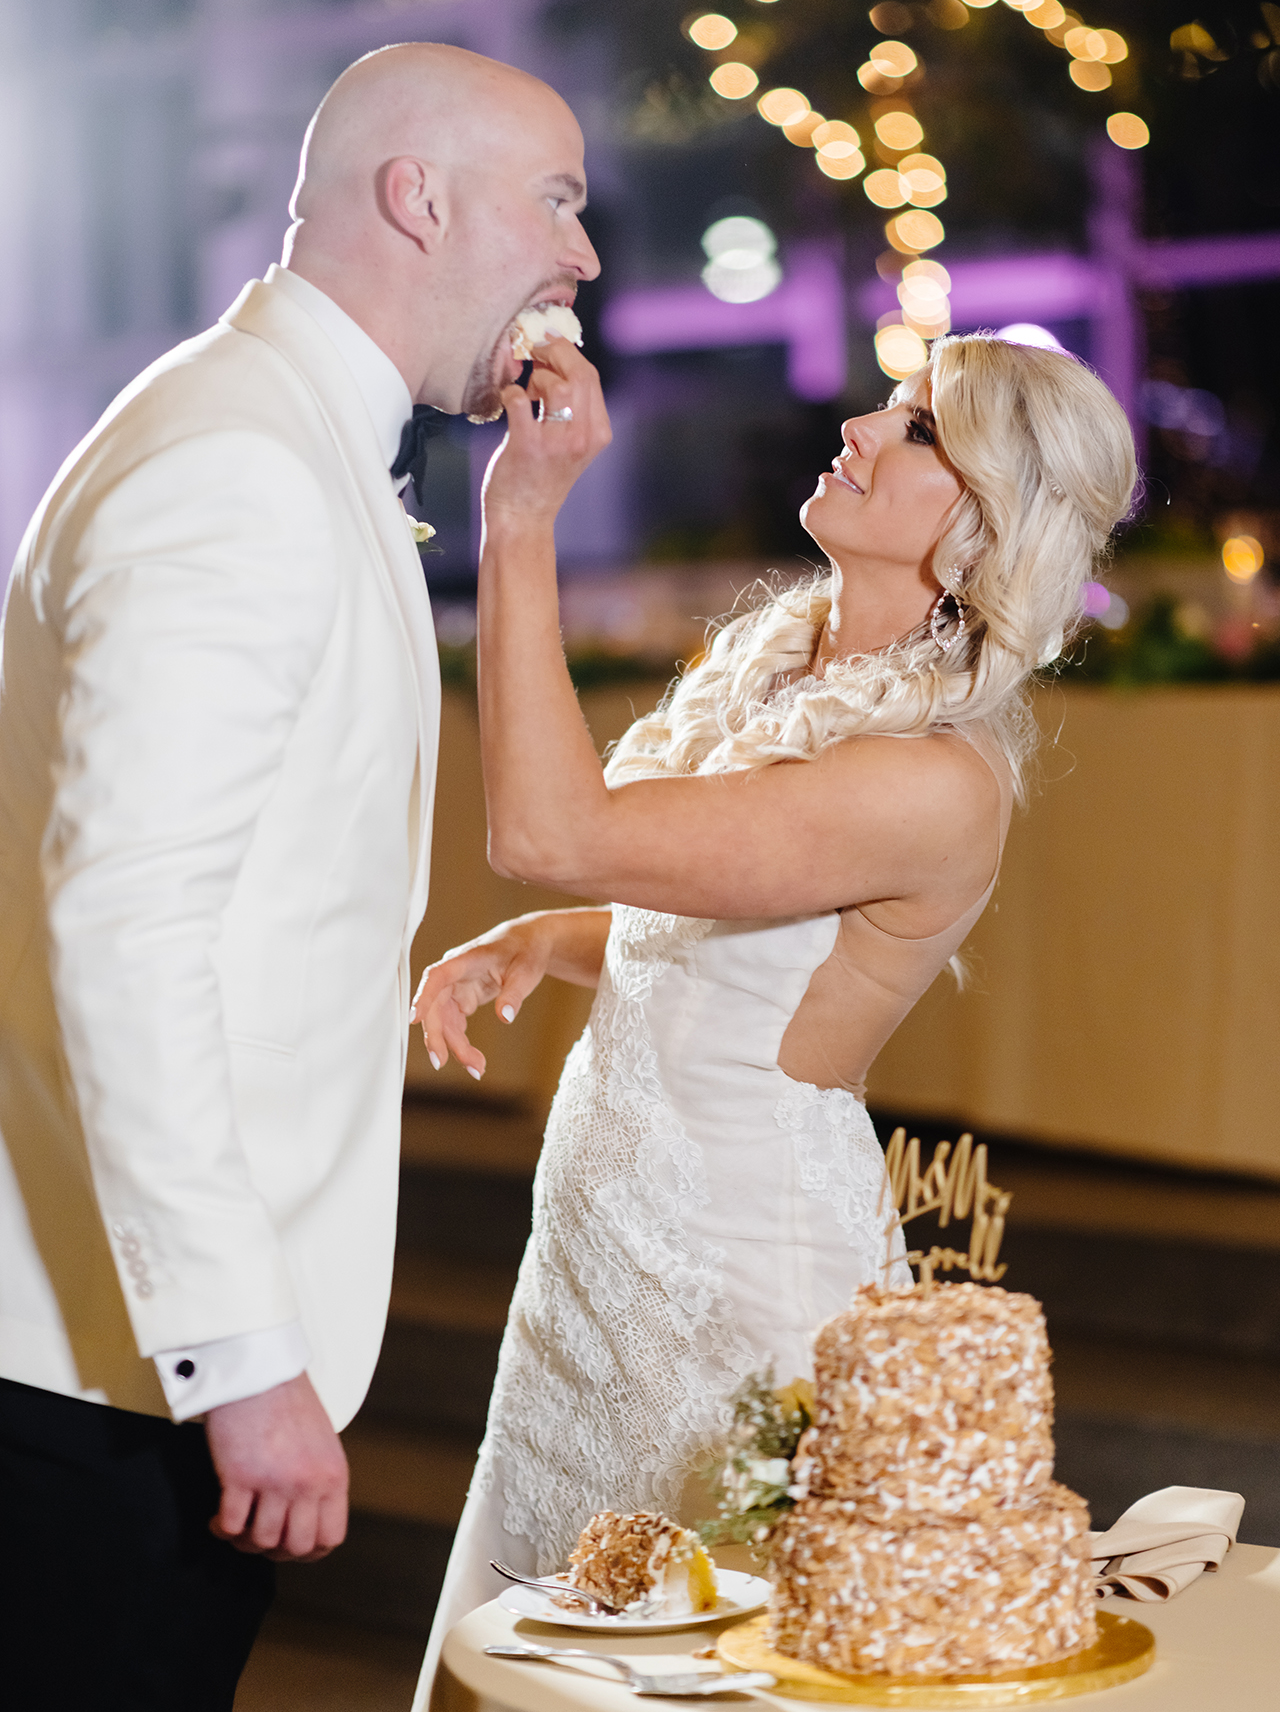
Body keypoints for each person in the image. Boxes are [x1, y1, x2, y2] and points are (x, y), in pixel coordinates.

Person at [0, 41, 599, 1710]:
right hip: (110, 1375)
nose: (583, 255)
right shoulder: (242, 462)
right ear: (420, 199)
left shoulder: (274, 429)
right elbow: (125, 930)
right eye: (557, 201)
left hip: (120, 1363)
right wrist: (241, 1357)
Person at [410, 330, 1137, 1704]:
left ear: (986, 529)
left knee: (721, 1662)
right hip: (597, 1256)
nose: (861, 428)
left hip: (739, 1285)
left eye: (920, 431)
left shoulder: (931, 779)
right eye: (889, 409)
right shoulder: (777, 670)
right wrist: (549, 945)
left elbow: (552, 834)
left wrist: (521, 519)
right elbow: (720, 945)